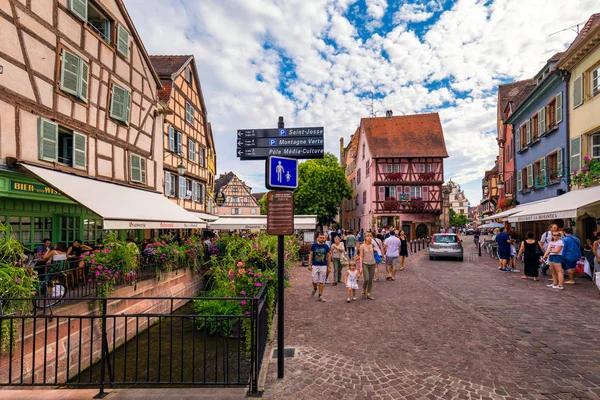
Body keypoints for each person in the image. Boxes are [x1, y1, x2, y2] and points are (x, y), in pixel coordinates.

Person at [308, 232, 331, 302]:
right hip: (315, 265)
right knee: (314, 280)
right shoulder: (314, 246)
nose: (322, 239)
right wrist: (309, 264)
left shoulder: (326, 246)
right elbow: (311, 255)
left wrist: (329, 266)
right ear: (317, 238)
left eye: (323, 238)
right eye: (320, 237)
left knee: (322, 281)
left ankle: (320, 295)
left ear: (325, 238)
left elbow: (329, 256)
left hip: (323, 265)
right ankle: (315, 288)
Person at [359, 232, 377, 300]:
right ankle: (364, 289)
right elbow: (361, 256)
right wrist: (360, 267)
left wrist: (376, 250)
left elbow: (376, 253)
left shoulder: (373, 245)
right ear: (365, 238)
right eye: (368, 236)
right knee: (366, 279)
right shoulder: (362, 246)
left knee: (370, 280)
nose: (369, 237)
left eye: (370, 236)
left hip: (372, 263)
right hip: (365, 263)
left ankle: (369, 293)